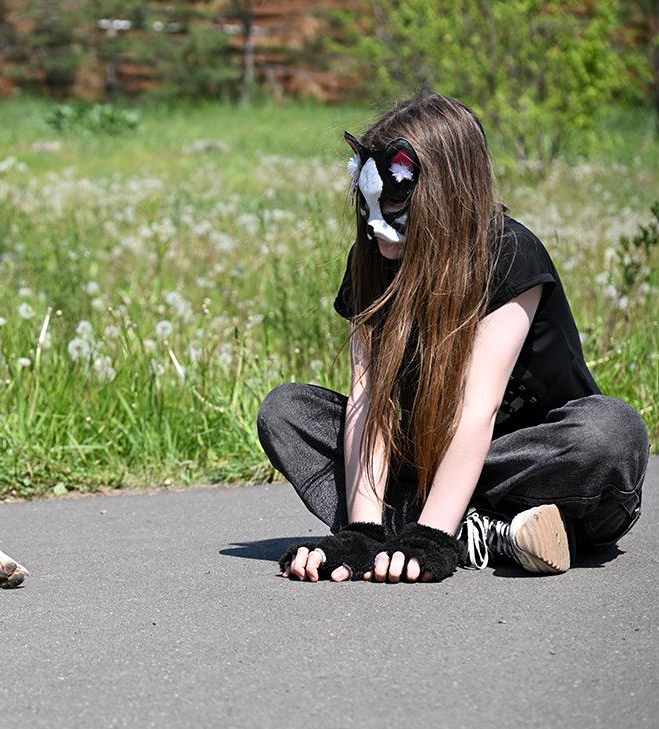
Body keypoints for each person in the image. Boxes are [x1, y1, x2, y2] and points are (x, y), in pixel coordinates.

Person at [256, 92, 649, 583]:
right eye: (368, 200)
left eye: (395, 200)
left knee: (610, 430)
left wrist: (430, 538)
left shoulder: (508, 253)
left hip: (540, 469)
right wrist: (360, 532)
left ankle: (443, 528)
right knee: (287, 411)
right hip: (430, 462)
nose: (376, 221)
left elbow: (475, 408)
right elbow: (368, 403)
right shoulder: (375, 262)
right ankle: (488, 533)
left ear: (445, 194)